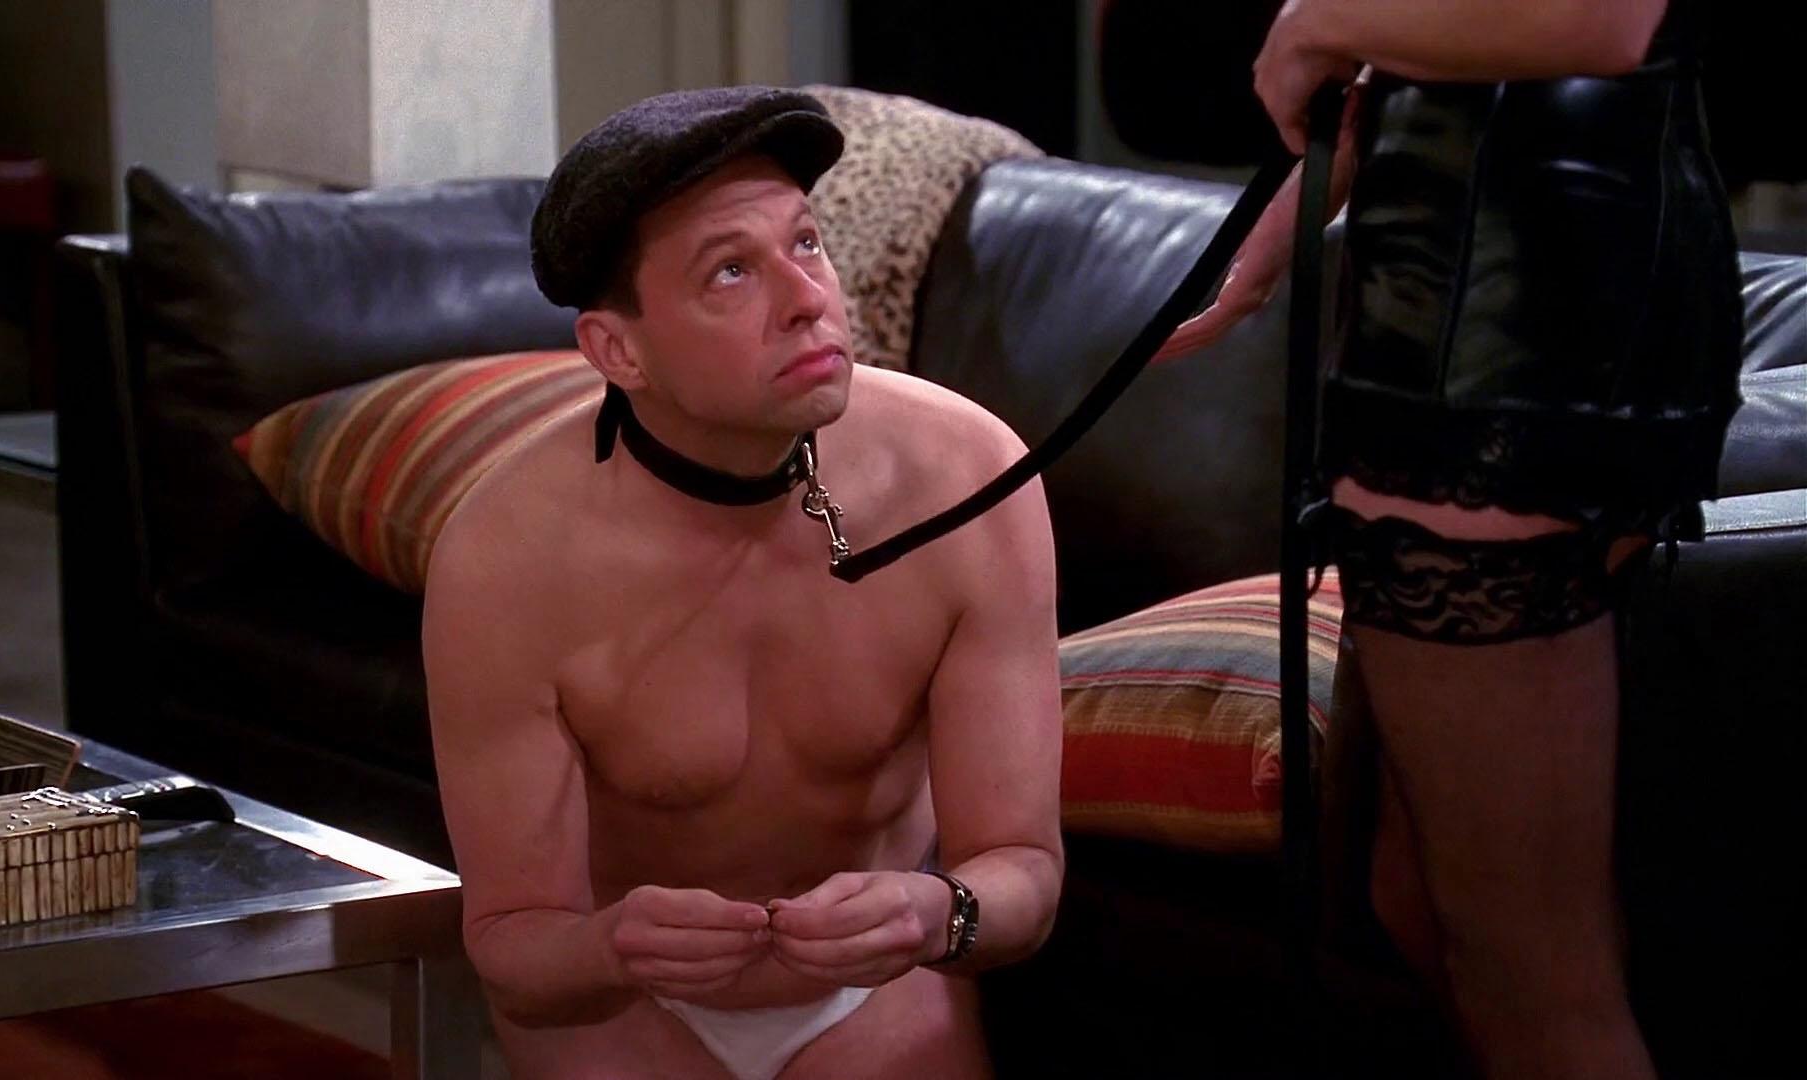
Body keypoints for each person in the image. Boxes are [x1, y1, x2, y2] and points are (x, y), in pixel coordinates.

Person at [422, 87, 1064, 1080]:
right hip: (624, 1002)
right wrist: (610, 946)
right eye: (731, 271)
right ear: (616, 349)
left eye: (806, 243)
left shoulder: (971, 477)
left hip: (880, 988)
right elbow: (514, 947)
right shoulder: (503, 557)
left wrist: (939, 910)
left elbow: (1024, 872)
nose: (808, 299)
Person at [1159, 3, 1743, 1077]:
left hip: (1508, 308)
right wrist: (1268, 243)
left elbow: (1603, 18)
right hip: (1501, 274)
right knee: (1416, 896)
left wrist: (1317, 23)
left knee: (1529, 964)